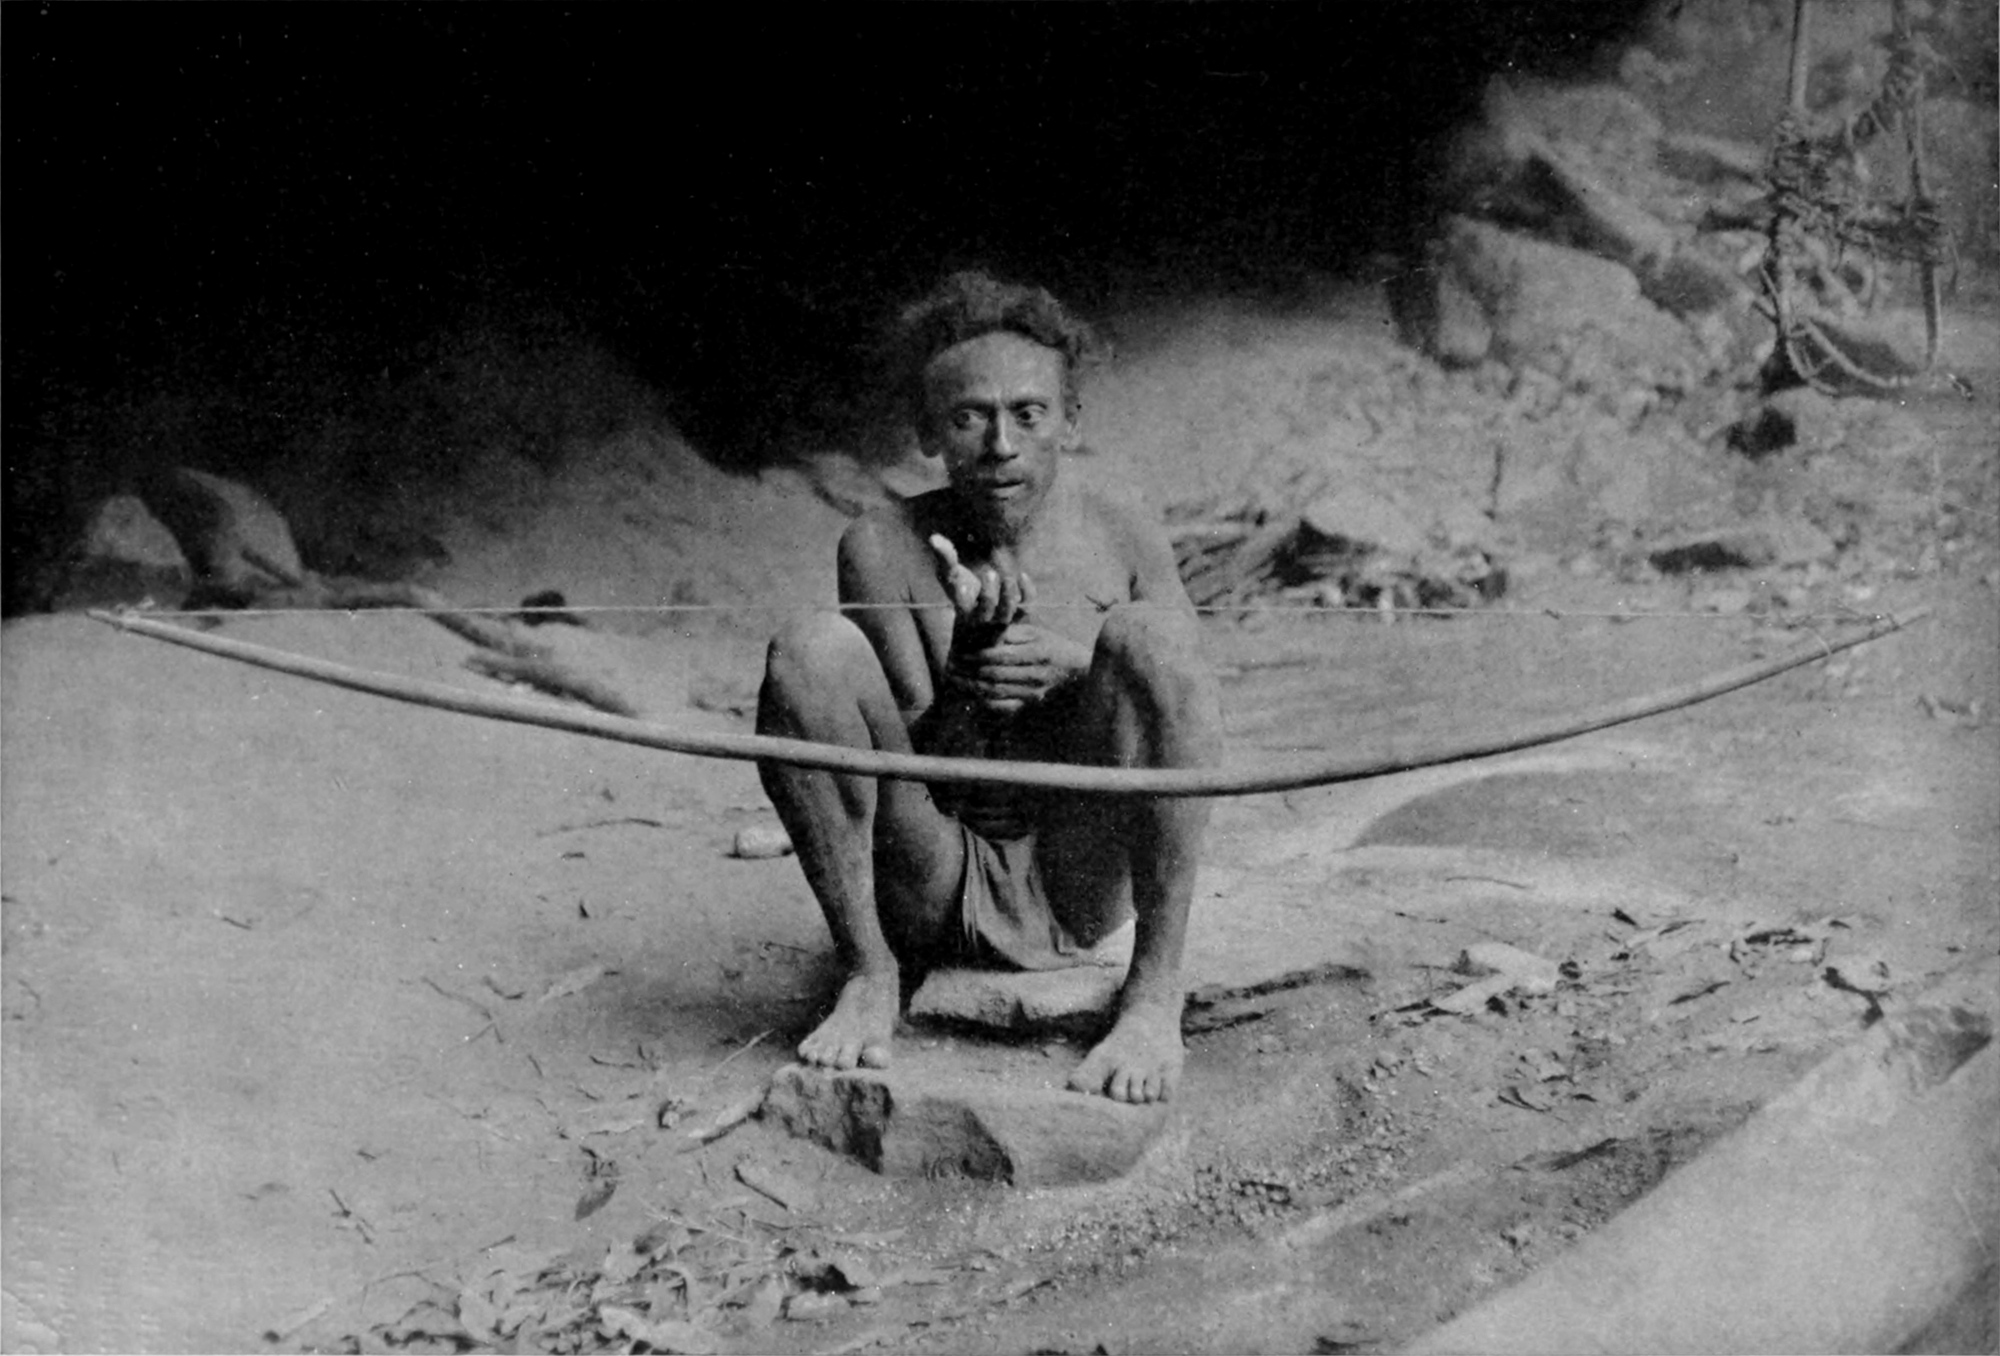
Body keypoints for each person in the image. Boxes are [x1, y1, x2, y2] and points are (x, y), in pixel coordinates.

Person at [756, 272, 1221, 1105]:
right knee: (806, 651)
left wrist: (1075, 670)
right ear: (929, 432)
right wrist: (967, 674)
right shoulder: (880, 544)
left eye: (1028, 414)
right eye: (969, 417)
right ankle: (869, 972)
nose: (1001, 444)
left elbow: (1188, 706)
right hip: (932, 880)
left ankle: (1153, 997)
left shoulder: (1122, 526)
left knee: (1154, 635)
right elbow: (908, 766)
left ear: (1070, 421)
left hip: (1081, 877)